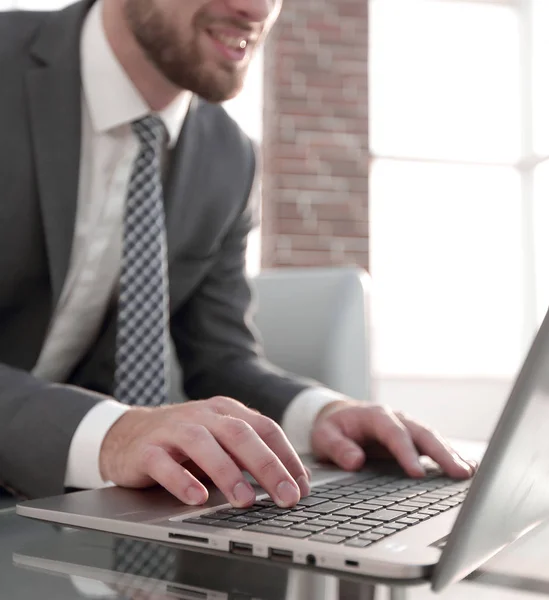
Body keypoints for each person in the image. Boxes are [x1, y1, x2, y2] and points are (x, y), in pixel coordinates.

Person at [0, 0, 474, 507]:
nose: (256, 8)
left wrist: (321, 414)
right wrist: (114, 434)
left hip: (68, 514)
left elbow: (219, 357)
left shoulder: (228, 155)